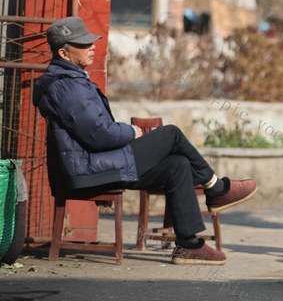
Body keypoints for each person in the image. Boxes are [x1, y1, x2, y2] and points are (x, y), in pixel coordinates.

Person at [33, 16, 258, 265]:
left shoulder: (72, 81)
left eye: (90, 42)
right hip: (88, 170)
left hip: (96, 163)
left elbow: (96, 131)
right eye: (83, 44)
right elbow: (100, 136)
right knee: (170, 134)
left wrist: (127, 133)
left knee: (177, 165)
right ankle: (216, 188)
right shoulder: (66, 87)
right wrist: (133, 132)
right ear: (64, 53)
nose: (92, 47)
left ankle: (189, 244)